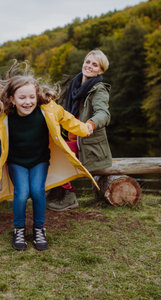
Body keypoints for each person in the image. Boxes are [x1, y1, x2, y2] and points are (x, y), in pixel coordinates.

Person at [0, 61, 99, 251]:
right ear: (12, 99)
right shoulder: (2, 117)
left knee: (37, 192)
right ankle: (19, 230)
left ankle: (39, 229)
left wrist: (85, 128)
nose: (27, 102)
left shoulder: (49, 110)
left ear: (37, 96)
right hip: (16, 162)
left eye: (31, 97)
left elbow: (68, 119)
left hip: (40, 161)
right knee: (21, 194)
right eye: (22, 98)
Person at [46, 49, 113, 211]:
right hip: (67, 135)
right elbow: (57, 106)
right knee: (45, 146)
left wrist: (90, 124)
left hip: (87, 143)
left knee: (59, 153)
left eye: (95, 64)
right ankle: (56, 192)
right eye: (87, 62)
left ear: (101, 70)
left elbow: (103, 113)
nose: (89, 66)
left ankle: (68, 197)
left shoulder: (99, 89)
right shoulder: (73, 84)